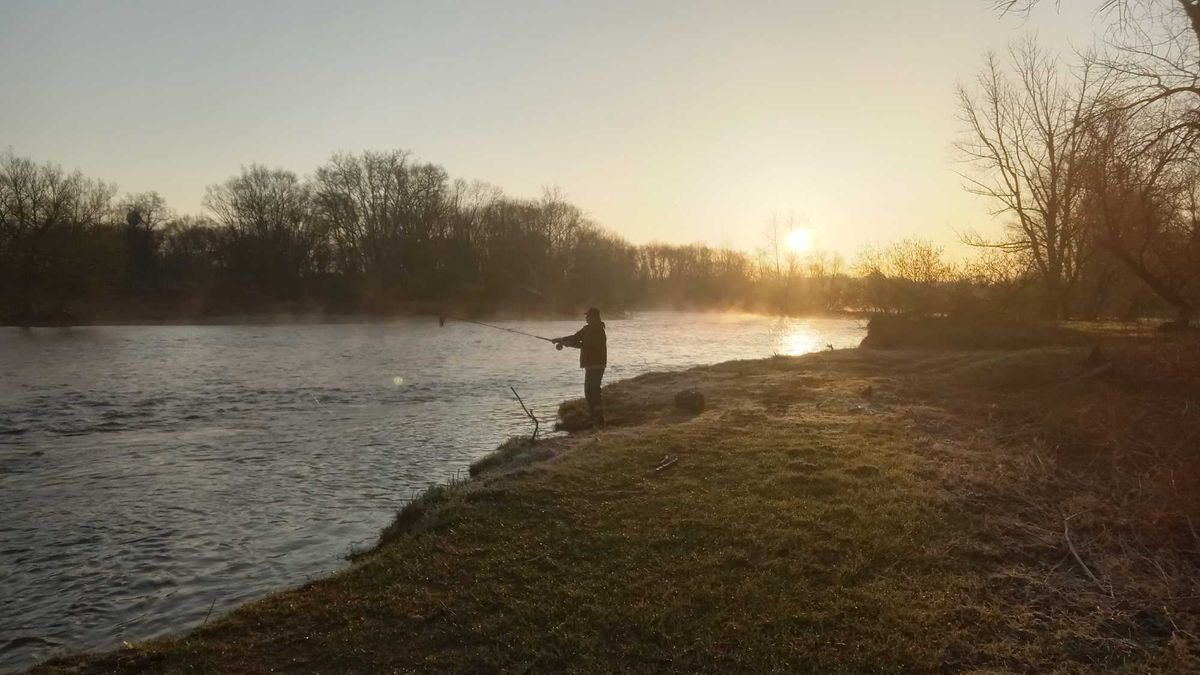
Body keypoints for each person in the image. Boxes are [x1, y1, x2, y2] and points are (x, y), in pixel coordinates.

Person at [552, 307, 607, 427]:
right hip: (590, 365)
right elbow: (575, 337)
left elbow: (588, 346)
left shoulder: (598, 330)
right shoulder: (587, 329)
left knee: (593, 391)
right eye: (586, 316)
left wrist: (570, 344)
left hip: (596, 364)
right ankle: (594, 417)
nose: (586, 318)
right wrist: (560, 340)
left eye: (588, 316)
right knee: (589, 391)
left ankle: (598, 418)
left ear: (594, 317)